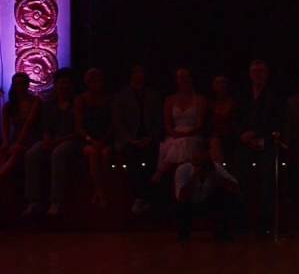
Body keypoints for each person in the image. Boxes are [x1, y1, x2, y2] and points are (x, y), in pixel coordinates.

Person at [235, 60, 283, 237]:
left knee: (267, 183)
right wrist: (243, 134)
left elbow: (277, 119)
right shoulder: (242, 95)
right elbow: (236, 118)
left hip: (267, 142)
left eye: (261, 71)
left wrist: (256, 133)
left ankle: (265, 224)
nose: (258, 75)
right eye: (254, 71)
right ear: (250, 74)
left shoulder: (274, 95)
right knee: (241, 179)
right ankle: (243, 222)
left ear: (266, 73)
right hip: (244, 144)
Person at [24, 69, 79, 216]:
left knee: (58, 153)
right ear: (56, 85)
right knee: (31, 153)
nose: (63, 86)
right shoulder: (49, 104)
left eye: (66, 83)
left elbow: (78, 130)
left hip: (71, 140)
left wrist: (58, 140)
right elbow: (46, 127)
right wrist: (47, 139)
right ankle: (33, 200)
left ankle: (56, 201)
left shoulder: (77, 103)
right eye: (61, 83)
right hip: (53, 138)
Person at [112, 65, 163, 214]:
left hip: (149, 139)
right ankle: (140, 197)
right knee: (132, 160)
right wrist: (130, 139)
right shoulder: (121, 96)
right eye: (137, 72)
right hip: (129, 140)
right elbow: (117, 122)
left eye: (142, 72)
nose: (139, 75)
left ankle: (147, 198)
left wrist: (150, 137)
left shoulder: (153, 96)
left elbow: (159, 121)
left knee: (152, 160)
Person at [175, 139, 242, 242]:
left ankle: (222, 232)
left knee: (225, 197)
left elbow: (235, 188)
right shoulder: (183, 169)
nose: (200, 156)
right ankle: (183, 234)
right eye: (197, 153)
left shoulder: (215, 168)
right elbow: (181, 197)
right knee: (182, 206)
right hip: (188, 203)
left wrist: (214, 176)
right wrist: (195, 176)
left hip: (208, 203)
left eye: (203, 153)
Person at [153, 67, 207, 184]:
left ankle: (161, 172)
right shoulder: (169, 99)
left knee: (185, 143)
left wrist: (188, 133)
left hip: (193, 134)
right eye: (180, 77)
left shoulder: (200, 99)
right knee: (179, 144)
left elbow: (200, 124)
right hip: (175, 134)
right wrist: (176, 134)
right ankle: (180, 182)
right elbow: (168, 125)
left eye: (185, 77)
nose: (183, 80)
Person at [75, 68, 114, 208]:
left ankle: (102, 189)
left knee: (106, 153)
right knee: (93, 152)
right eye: (93, 81)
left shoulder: (109, 99)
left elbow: (113, 123)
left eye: (98, 80)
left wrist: (104, 140)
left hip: (105, 139)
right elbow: (79, 127)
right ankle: (100, 192)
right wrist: (90, 139)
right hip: (86, 139)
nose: (96, 83)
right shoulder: (81, 100)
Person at [0, 72, 41, 179]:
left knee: (16, 152)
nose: (20, 87)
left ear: (27, 85)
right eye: (17, 84)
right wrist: (6, 142)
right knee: (3, 151)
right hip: (16, 137)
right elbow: (5, 127)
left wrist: (18, 143)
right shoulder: (9, 106)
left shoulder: (35, 101)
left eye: (23, 83)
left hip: (32, 137)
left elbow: (28, 125)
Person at [207, 74, 237, 166]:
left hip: (232, 136)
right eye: (218, 82)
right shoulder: (209, 104)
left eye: (223, 82)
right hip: (214, 138)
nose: (221, 85)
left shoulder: (235, 103)